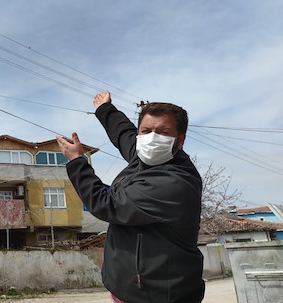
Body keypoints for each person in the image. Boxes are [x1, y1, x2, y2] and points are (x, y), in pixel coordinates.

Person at [56, 91, 205, 303]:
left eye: (163, 132)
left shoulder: (173, 183)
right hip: (133, 289)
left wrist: (77, 163)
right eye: (146, 131)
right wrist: (105, 109)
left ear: (180, 140)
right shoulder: (147, 158)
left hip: (159, 295)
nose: (152, 138)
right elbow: (124, 134)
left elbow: (105, 204)